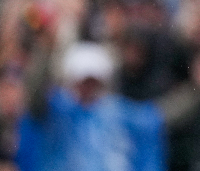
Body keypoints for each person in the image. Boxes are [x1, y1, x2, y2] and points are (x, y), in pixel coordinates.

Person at [17, 42, 166, 171]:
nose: (87, 87)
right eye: (83, 81)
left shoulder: (117, 111)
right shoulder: (57, 109)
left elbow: (150, 124)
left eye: (93, 82)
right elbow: (34, 99)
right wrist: (45, 48)